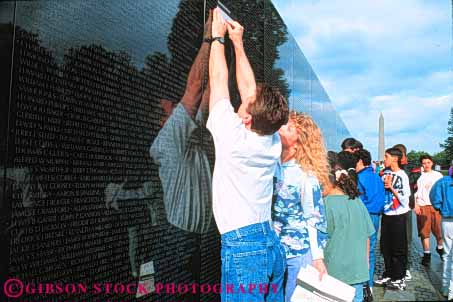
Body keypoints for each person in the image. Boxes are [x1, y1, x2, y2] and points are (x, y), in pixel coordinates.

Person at [207, 9, 289, 302]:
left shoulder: (233, 137)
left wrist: (216, 37)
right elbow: (249, 90)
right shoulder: (272, 141)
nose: (243, 99)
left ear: (248, 119)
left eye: (246, 104)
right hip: (268, 242)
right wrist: (237, 42)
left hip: (244, 248)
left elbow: (218, 80)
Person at [272, 112, 329, 302]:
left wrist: (317, 257)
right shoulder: (271, 164)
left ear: (299, 143)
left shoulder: (305, 176)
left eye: (288, 128)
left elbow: (314, 219)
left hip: (298, 254)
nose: (280, 129)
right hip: (273, 250)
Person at [323, 161, 375, 302]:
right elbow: (367, 236)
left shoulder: (325, 204)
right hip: (358, 270)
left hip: (333, 271)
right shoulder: (358, 201)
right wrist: (366, 263)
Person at [375, 148, 411, 290]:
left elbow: (405, 200)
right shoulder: (385, 173)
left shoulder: (402, 175)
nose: (385, 159)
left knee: (398, 248)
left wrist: (392, 188)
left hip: (398, 215)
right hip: (386, 214)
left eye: (387, 156)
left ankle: (399, 276)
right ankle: (389, 273)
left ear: (395, 158)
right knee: (385, 247)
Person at [355, 149, 385, 291]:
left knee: (360, 250)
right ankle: (369, 284)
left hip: (363, 216)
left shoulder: (361, 177)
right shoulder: (376, 176)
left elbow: (367, 199)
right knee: (370, 250)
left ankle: (361, 284)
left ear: (360, 161)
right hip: (375, 216)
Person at [414, 154, 444, 266]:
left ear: (432, 163)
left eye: (428, 162)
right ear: (421, 164)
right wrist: (415, 205)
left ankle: (440, 248)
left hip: (435, 206)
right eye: (424, 163)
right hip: (422, 205)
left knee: (439, 230)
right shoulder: (419, 176)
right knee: (424, 232)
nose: (426, 165)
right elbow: (414, 193)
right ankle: (427, 253)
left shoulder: (438, 175)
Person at [431, 174, 453, 300]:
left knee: (447, 254)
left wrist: (441, 208)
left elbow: (434, 198)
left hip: (447, 219)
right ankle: (451, 291)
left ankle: (445, 287)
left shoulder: (443, 181)